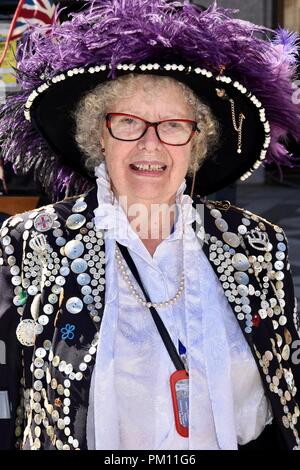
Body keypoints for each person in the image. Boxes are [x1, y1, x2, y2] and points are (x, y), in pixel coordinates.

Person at [0, 0, 300, 451]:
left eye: (173, 126)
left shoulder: (258, 244)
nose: (150, 144)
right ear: (97, 136)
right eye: (127, 122)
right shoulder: (30, 242)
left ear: (197, 140)